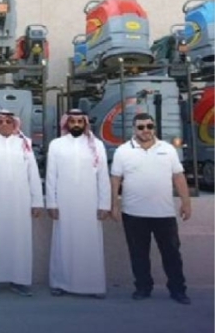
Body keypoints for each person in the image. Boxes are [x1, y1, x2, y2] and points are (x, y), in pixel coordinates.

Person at [110, 113, 192, 304]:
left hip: (164, 213)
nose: (145, 130)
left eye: (149, 126)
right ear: (134, 129)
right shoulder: (123, 151)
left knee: (172, 254)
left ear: (154, 128)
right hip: (133, 213)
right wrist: (114, 204)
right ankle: (143, 288)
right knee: (138, 254)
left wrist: (186, 202)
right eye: (141, 127)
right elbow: (115, 179)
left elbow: (178, 176)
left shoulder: (168, 149)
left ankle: (178, 290)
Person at [0, 110, 43, 297]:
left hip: (20, 201)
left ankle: (20, 281)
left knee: (19, 240)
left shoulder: (24, 144)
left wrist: (37, 201)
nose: (4, 124)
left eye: (8, 121)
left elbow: (33, 174)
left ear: (15, 124)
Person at [46, 109, 110, 298]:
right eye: (72, 121)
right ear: (66, 123)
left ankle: (93, 286)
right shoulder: (56, 145)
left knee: (90, 243)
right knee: (63, 242)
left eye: (79, 121)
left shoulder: (97, 145)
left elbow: (103, 176)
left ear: (85, 123)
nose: (76, 124)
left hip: (90, 202)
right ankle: (60, 283)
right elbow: (51, 176)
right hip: (64, 202)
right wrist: (51, 203)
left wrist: (104, 204)